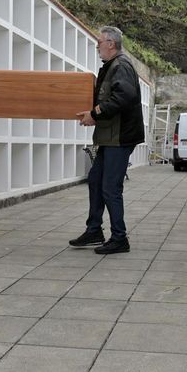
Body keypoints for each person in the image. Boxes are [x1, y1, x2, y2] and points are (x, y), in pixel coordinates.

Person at [68, 26, 144, 255]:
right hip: (111, 137)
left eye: (99, 42)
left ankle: (119, 238)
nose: (97, 46)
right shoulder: (113, 66)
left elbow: (123, 96)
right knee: (95, 180)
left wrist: (95, 114)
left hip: (120, 137)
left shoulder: (121, 66)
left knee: (110, 187)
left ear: (111, 43)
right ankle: (94, 231)